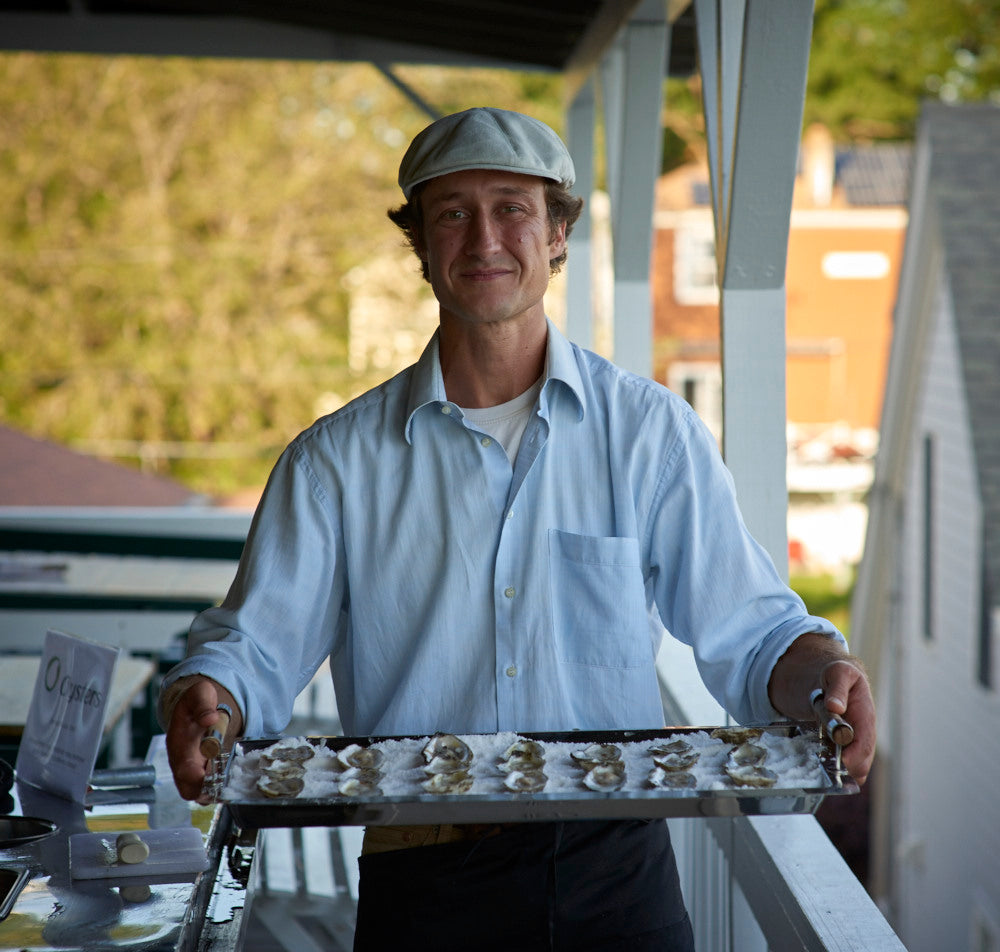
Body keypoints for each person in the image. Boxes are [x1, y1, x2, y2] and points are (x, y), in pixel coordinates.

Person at [160, 106, 875, 951]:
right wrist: (211, 698)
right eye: (452, 212)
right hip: (423, 877)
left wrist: (827, 676)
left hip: (617, 872)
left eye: (512, 207)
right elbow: (254, 650)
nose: (484, 238)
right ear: (421, 246)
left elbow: (753, 636)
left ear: (558, 232)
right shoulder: (335, 463)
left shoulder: (648, 432)